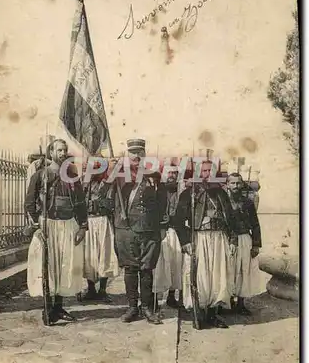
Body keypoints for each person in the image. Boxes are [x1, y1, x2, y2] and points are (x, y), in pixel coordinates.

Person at [99, 138, 167, 324]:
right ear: (127, 154)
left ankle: (146, 308)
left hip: (149, 229)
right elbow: (101, 197)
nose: (136, 155)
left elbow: (163, 203)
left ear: (145, 155)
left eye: (140, 152)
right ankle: (132, 307)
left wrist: (162, 226)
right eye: (133, 152)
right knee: (130, 269)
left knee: (147, 270)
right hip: (126, 229)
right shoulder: (118, 175)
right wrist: (110, 175)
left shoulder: (154, 175)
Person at [25, 139, 87, 323]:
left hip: (67, 225)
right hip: (47, 225)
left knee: (64, 265)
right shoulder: (40, 176)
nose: (62, 153)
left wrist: (83, 227)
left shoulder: (72, 177)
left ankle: (59, 308)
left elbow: (81, 204)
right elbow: (29, 202)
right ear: (51, 153)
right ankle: (48, 308)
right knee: (47, 266)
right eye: (59, 150)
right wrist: (37, 225)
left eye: (64, 150)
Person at [175, 160, 237, 329]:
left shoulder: (222, 194)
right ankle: (199, 314)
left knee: (218, 276)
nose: (207, 174)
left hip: (219, 238)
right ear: (198, 173)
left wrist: (232, 239)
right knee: (200, 277)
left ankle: (213, 315)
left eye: (210, 171)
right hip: (199, 238)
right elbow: (178, 221)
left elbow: (231, 218)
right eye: (204, 171)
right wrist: (186, 241)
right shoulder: (188, 194)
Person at [78, 172, 119, 302]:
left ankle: (102, 290)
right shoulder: (82, 181)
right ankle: (91, 289)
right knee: (89, 255)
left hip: (103, 220)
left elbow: (112, 202)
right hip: (88, 220)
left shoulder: (108, 182)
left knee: (105, 254)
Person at [226, 172, 262, 315]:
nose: (235, 186)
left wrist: (256, 244)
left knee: (243, 270)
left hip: (245, 239)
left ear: (242, 184)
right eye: (232, 183)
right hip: (228, 240)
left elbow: (255, 224)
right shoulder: (223, 202)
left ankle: (241, 303)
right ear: (227, 185)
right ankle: (227, 301)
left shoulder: (247, 202)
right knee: (229, 269)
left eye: (238, 183)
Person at [153, 168, 183, 310]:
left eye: (174, 173)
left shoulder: (181, 191)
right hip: (161, 231)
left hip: (176, 231)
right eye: (169, 173)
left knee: (176, 264)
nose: (171, 176)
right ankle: (155, 297)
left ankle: (172, 295)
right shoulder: (158, 190)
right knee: (159, 264)